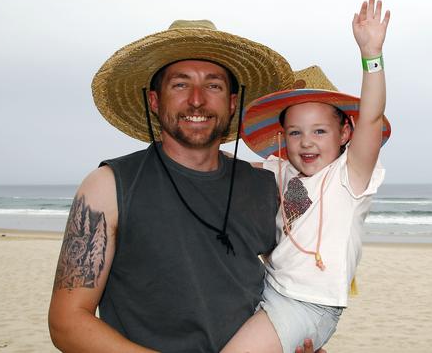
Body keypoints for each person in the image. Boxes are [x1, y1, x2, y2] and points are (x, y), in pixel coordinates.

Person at [47, 19, 322, 352]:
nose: (196, 100)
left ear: (233, 102)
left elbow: (305, 279)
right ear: (154, 100)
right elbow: (67, 322)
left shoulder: (267, 186)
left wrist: (297, 338)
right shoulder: (108, 187)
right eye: (180, 85)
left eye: (214, 86)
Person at [222, 0, 391, 353]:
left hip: (308, 304)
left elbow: (372, 118)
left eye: (320, 131)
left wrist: (371, 54)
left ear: (345, 133)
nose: (306, 143)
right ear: (283, 138)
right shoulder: (281, 170)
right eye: (296, 133)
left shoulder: (349, 177)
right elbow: (220, 164)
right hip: (268, 286)